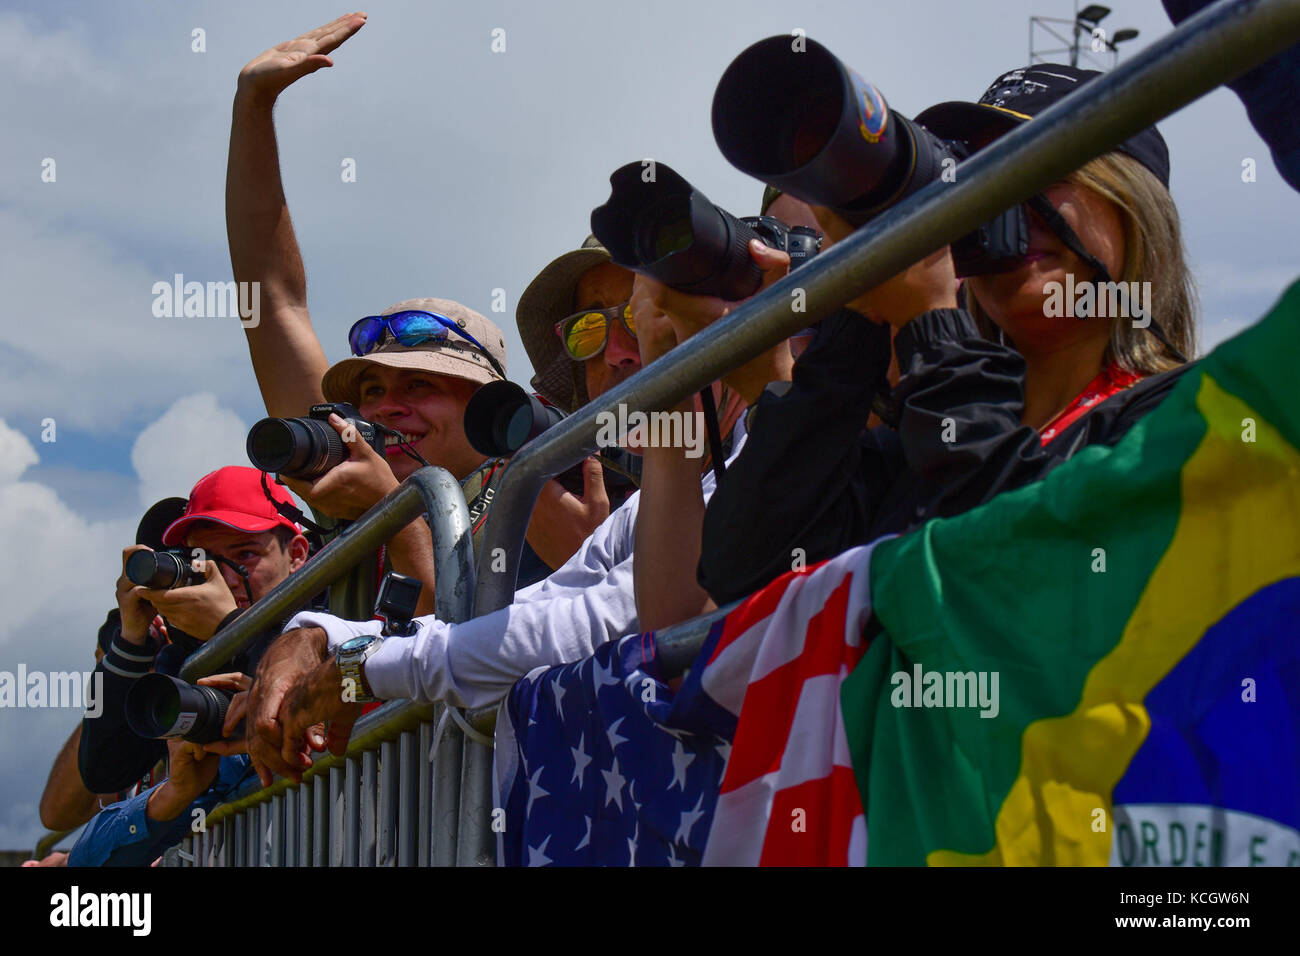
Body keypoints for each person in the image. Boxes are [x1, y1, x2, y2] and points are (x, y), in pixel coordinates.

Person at [239, 195, 821, 785]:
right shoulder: (653, 500)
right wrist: (312, 636)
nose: (623, 350)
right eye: (593, 329)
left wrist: (358, 666)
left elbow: (594, 627)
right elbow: (512, 620)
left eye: (652, 315)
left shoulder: (803, 443)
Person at [699, 64, 1198, 606]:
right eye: (979, 179)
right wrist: (859, 306)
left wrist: (930, 323)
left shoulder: (1190, 417)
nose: (1004, 201)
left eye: (1042, 167)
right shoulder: (919, 441)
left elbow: (1021, 583)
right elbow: (744, 568)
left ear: (1133, 202)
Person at [226, 13, 593, 615]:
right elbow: (272, 301)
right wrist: (252, 105)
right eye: (369, 390)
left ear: (490, 410)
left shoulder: (545, 507)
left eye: (420, 384)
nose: (382, 409)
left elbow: (455, 664)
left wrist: (389, 516)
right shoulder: (348, 480)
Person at [79, 467, 309, 794]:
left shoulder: (330, 615)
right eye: (204, 560)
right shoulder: (187, 659)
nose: (226, 578)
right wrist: (132, 640)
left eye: (245, 554)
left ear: (297, 555)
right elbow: (104, 773)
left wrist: (227, 628)